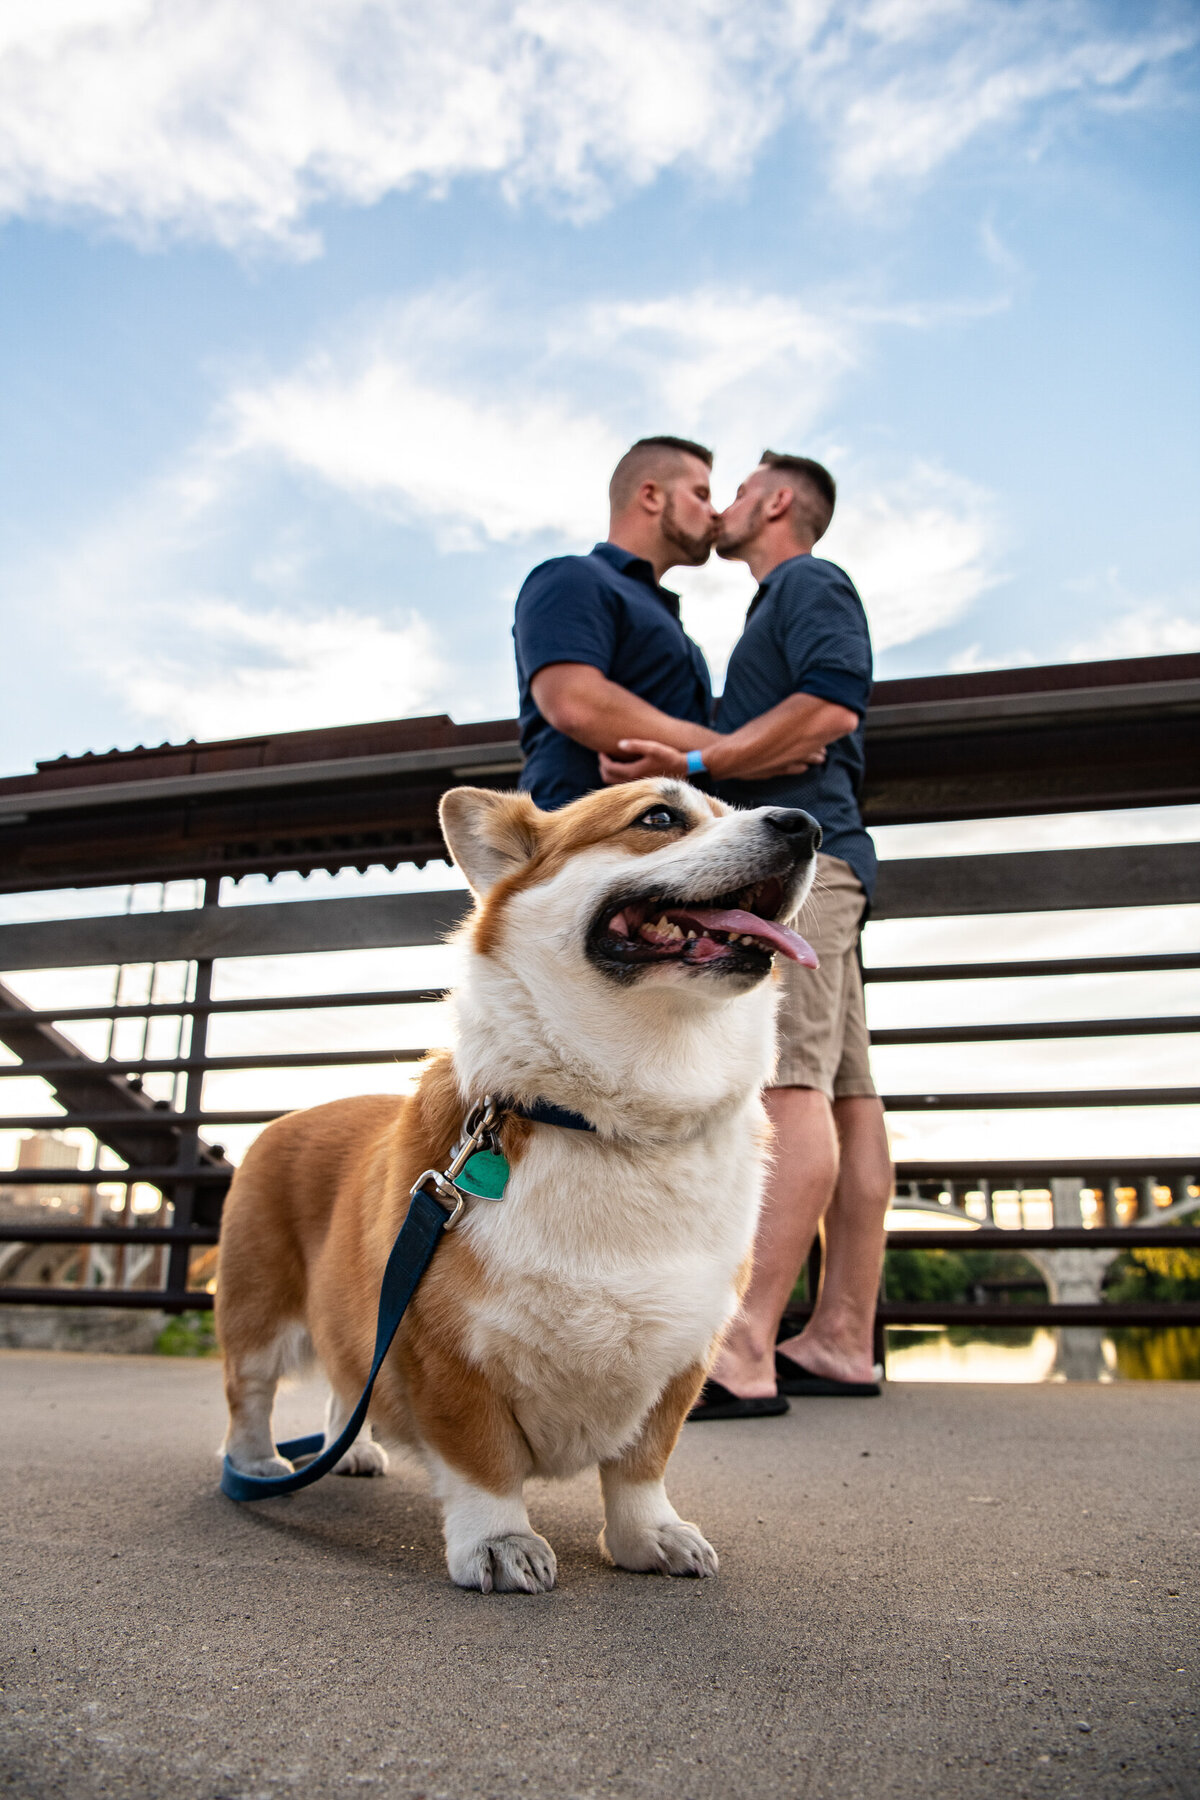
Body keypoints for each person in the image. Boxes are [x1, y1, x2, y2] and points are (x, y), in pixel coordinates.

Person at [599, 452, 893, 1417]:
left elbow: (828, 708)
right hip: (837, 861)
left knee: (791, 1085)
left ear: (774, 502)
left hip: (815, 866)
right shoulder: (782, 597)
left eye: (738, 488)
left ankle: (742, 1348)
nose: (721, 506)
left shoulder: (805, 581)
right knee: (847, 1096)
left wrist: (695, 758)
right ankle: (842, 1337)